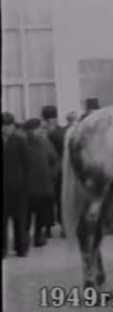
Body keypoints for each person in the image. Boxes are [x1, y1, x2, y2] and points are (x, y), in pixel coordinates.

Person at [24, 118, 59, 247]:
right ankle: (25, 236)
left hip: (44, 185)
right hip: (27, 187)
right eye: (37, 129)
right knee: (26, 215)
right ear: (29, 130)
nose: (40, 131)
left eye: (40, 129)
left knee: (41, 214)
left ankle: (38, 235)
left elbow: (55, 160)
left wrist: (52, 175)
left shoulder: (46, 143)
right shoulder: (22, 143)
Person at [2, 112, 30, 258]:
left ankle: (21, 248)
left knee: (20, 219)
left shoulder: (20, 141)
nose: (5, 129)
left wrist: (25, 184)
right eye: (3, 126)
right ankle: (3, 249)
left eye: (7, 125)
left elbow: (27, 164)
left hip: (19, 188)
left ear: (13, 126)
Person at [41, 105, 66, 237]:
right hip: (61, 171)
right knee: (60, 199)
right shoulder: (62, 131)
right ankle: (63, 226)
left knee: (48, 200)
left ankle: (48, 228)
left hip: (49, 172)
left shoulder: (44, 133)